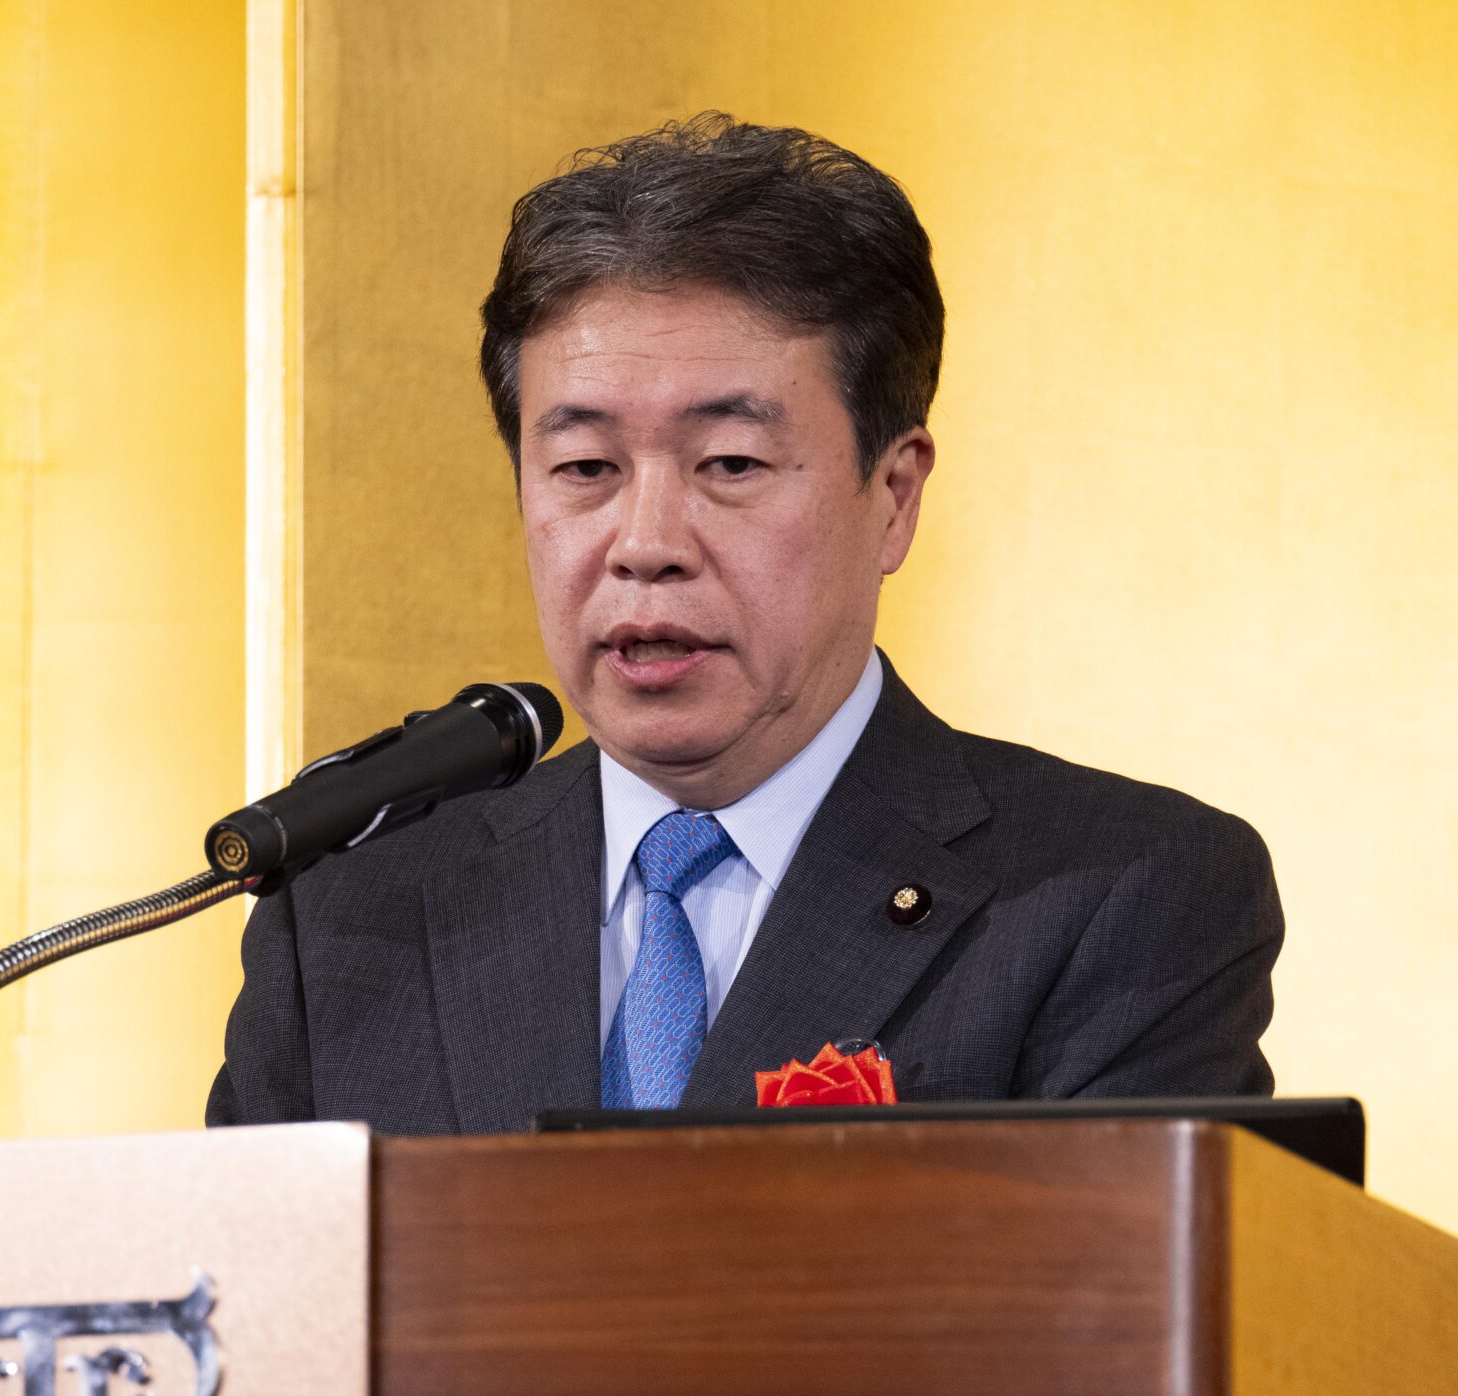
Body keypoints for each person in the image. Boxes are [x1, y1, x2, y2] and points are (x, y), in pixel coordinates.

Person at [208, 114, 1280, 1136]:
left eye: (729, 463)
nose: (645, 542)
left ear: (893, 495)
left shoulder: (1119, 896)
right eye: (584, 467)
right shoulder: (348, 922)